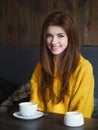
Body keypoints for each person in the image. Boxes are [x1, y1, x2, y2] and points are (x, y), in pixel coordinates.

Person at [30, 11, 94, 118]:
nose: (54, 42)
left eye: (60, 36)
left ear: (70, 37)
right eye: (49, 36)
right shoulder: (40, 67)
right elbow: (36, 108)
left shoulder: (84, 68)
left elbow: (82, 113)